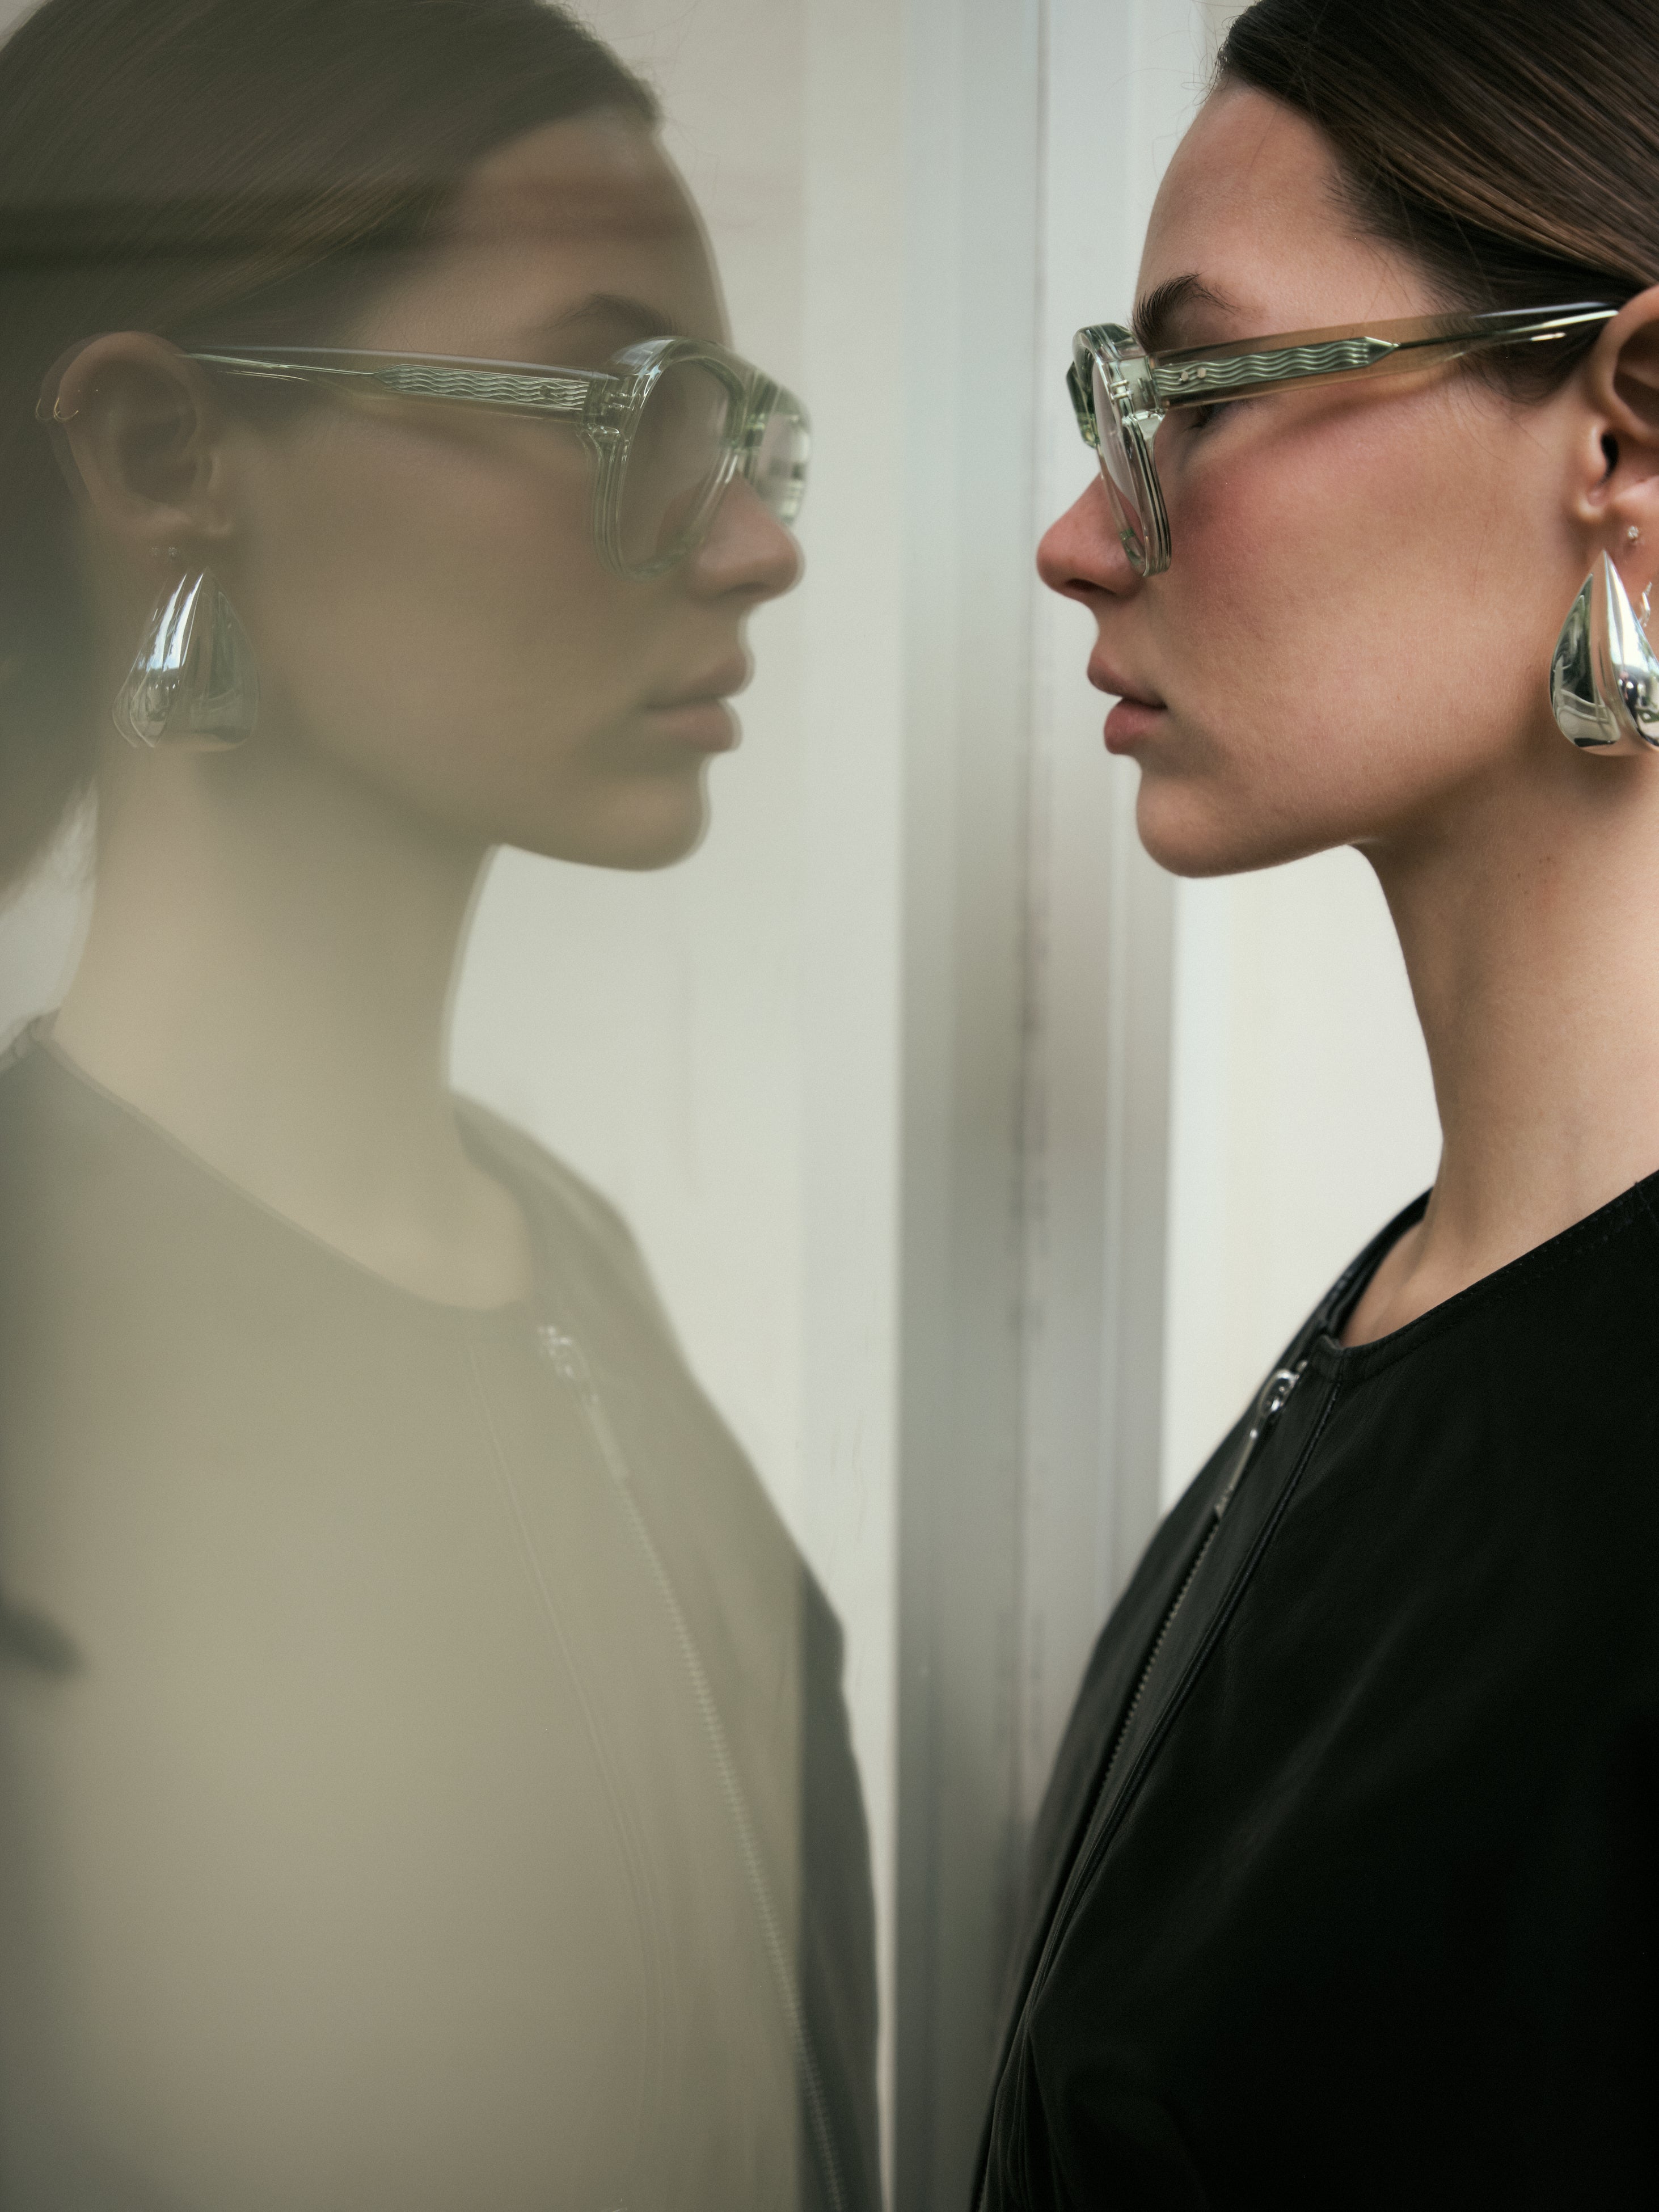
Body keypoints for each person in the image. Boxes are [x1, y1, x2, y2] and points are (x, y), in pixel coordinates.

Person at [0, 2, 879, 2206]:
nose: (754, 544)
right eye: (631, 410)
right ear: (167, 455)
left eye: (742, 431)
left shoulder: (574, 1265)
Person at [980, 1, 1659, 2203]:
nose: (1080, 533)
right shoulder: (1397, 1339)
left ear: (1630, 430)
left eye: (1191, 394)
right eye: (1117, 406)